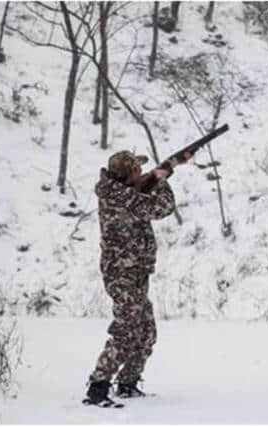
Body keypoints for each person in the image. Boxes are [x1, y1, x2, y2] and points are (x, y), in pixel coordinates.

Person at [84, 150, 190, 406]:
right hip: (122, 274)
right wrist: (162, 179)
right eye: (136, 170)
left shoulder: (123, 190)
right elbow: (161, 207)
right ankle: (98, 387)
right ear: (126, 175)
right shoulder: (120, 196)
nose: (140, 173)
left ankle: (128, 383)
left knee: (145, 332)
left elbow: (140, 190)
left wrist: (162, 171)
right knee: (128, 330)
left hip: (136, 272)